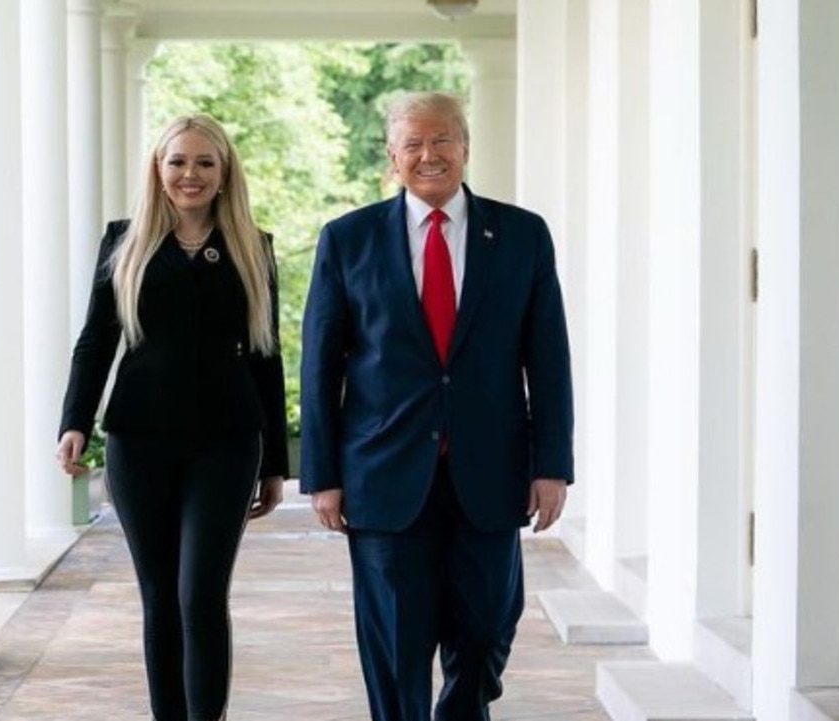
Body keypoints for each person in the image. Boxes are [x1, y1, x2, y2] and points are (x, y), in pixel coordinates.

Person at [299, 91, 574, 721]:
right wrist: (323, 476)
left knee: (484, 637)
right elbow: (320, 367)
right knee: (395, 650)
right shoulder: (347, 240)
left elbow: (549, 360)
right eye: (414, 144)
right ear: (393, 157)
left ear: (465, 147)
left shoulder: (522, 235)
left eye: (442, 139)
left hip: (490, 473)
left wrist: (551, 464)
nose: (430, 155)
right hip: (382, 477)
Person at [55, 113, 289, 721]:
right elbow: (95, 340)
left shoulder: (252, 247)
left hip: (227, 444)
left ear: (224, 172)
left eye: (204, 162)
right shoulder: (124, 242)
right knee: (160, 598)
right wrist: (74, 420)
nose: (190, 174)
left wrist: (277, 466)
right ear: (159, 172)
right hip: (140, 440)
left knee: (201, 596)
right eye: (178, 161)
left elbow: (266, 354)